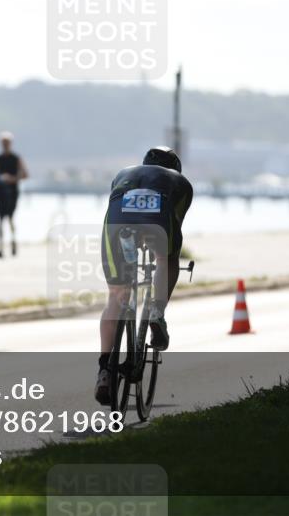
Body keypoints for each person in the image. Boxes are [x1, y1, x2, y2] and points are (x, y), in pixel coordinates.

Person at [94, 146, 193, 406]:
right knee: (167, 258)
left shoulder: (123, 173)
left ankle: (104, 369)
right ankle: (157, 313)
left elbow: (123, 207)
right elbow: (174, 222)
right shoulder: (181, 183)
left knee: (115, 297)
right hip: (157, 222)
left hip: (116, 225)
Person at [0, 131, 28, 258]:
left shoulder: (16, 158)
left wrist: (11, 179)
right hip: (0, 193)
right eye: (3, 142)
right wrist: (0, 179)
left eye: (7, 142)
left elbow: (25, 174)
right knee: (1, 220)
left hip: (12, 191)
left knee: (11, 218)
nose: (5, 145)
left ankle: (13, 241)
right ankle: (1, 247)